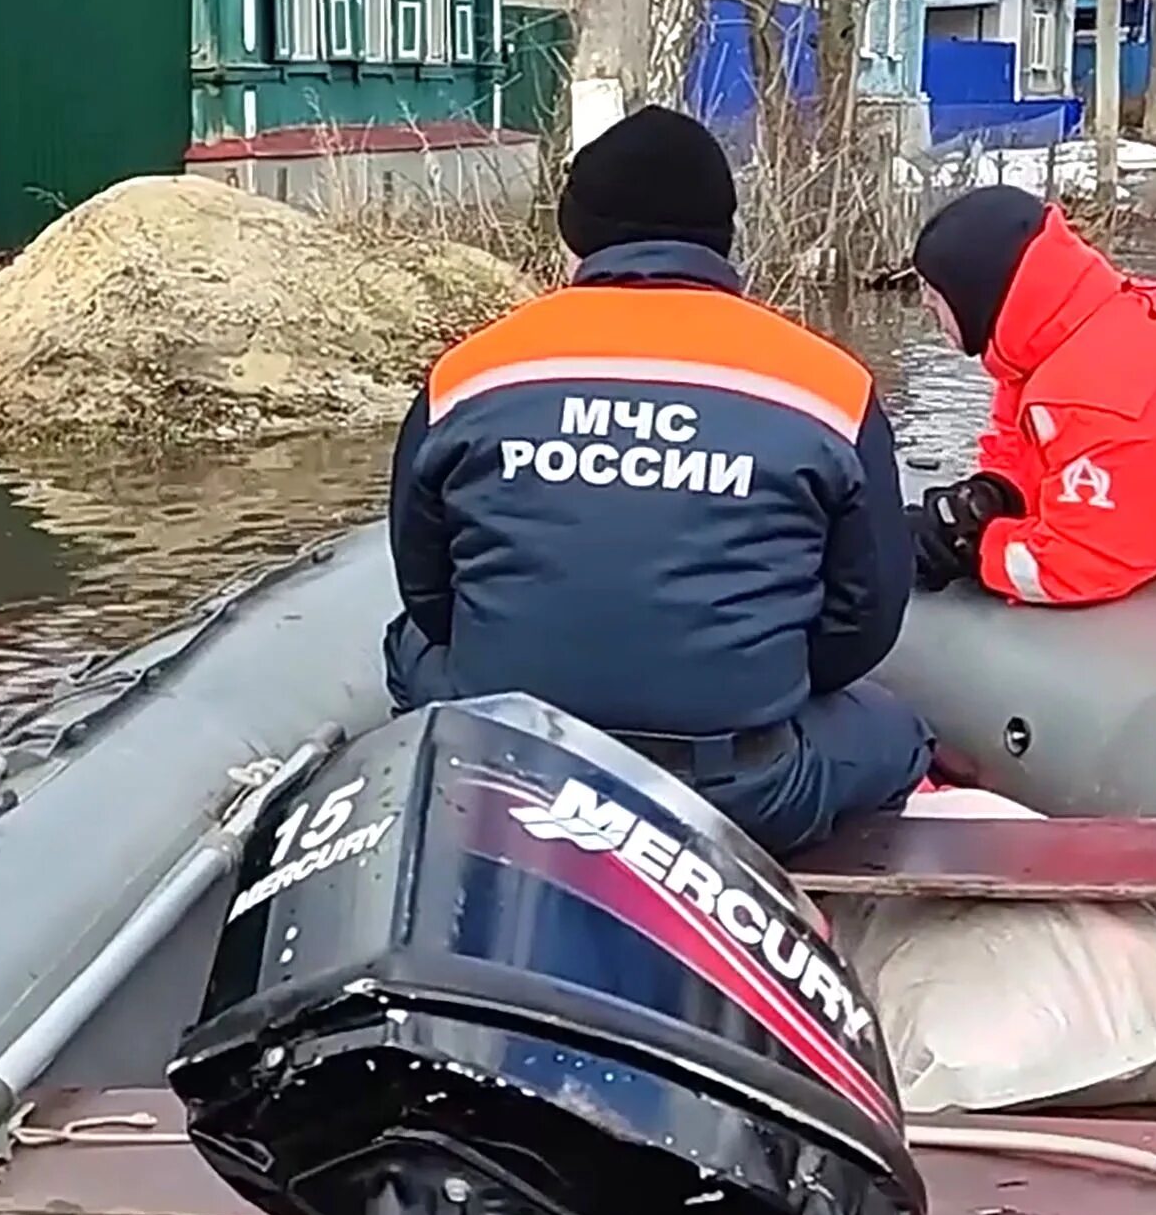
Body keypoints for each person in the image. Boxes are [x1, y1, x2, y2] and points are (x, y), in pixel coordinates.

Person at [383, 105, 930, 858]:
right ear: (722, 235)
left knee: (406, 646)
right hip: (740, 790)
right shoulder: (828, 385)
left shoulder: (468, 374)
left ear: (579, 232)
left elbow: (429, 594)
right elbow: (865, 620)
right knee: (897, 732)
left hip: (507, 766)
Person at [905, 185, 1156, 605]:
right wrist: (992, 495)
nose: (928, 309)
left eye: (935, 295)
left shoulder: (1092, 394)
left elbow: (1080, 563)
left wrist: (973, 550)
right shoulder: (1055, 341)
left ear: (975, 292)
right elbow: (1029, 446)